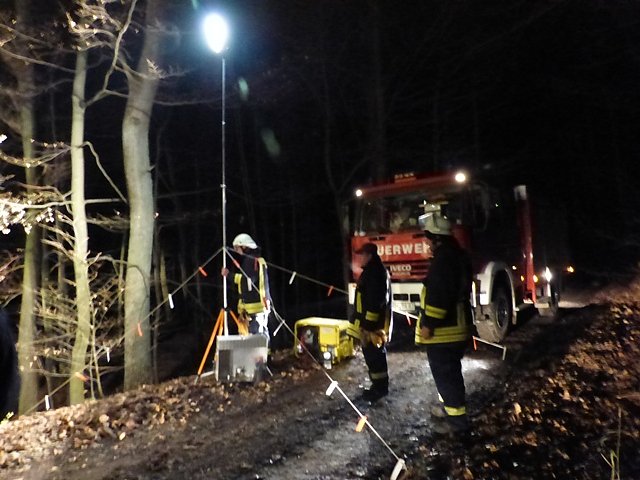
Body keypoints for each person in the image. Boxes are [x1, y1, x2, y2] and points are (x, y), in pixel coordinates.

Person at [415, 211, 473, 435]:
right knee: (449, 374)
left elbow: (440, 295)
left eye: (428, 239)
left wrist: (428, 324)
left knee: (447, 376)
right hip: (455, 327)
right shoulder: (454, 255)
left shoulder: (444, 260)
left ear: (437, 238)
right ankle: (449, 410)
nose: (426, 243)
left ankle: (458, 424)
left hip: (445, 331)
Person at [348, 242, 391, 402]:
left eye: (362, 255)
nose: (360, 258)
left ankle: (380, 388)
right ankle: (377, 386)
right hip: (369, 325)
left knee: (375, 357)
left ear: (370, 256)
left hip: (372, 327)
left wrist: (367, 326)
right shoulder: (372, 271)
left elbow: (375, 302)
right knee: (372, 357)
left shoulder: (375, 273)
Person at [222, 233, 272, 341]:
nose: (237, 251)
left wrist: (229, 275)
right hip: (260, 306)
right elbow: (248, 279)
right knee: (262, 336)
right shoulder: (256, 259)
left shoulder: (251, 261)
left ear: (244, 246)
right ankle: (265, 352)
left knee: (257, 338)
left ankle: (261, 352)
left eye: (237, 248)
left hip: (255, 307)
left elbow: (247, 281)